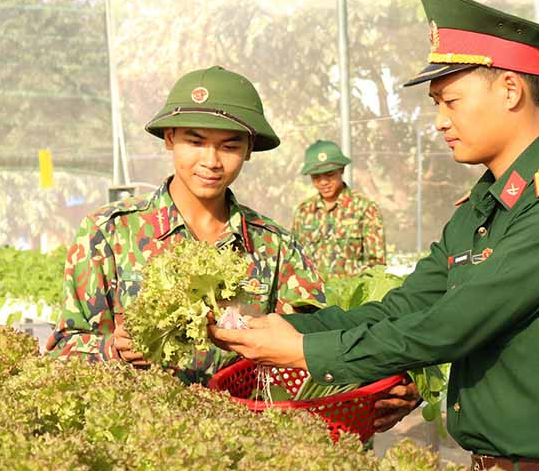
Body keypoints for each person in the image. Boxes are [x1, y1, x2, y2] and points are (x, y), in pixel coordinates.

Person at [209, 0, 539, 471]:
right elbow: (405, 306)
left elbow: (452, 325)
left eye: (450, 101)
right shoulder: (480, 209)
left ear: (510, 89)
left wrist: (306, 353)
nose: (439, 121)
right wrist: (290, 327)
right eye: (436, 104)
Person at [45, 66, 327, 384]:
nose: (211, 161)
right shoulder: (108, 233)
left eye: (229, 146)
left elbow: (313, 349)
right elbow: (63, 350)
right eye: (195, 142)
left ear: (249, 149)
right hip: (144, 414)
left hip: (242, 413)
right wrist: (114, 349)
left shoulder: (275, 247)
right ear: (170, 138)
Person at [291, 140, 386, 277]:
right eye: (316, 177)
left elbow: (376, 264)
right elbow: (295, 258)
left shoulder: (365, 208)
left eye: (329, 174)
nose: (323, 182)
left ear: (341, 170)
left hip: (351, 289)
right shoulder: (304, 211)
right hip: (313, 289)